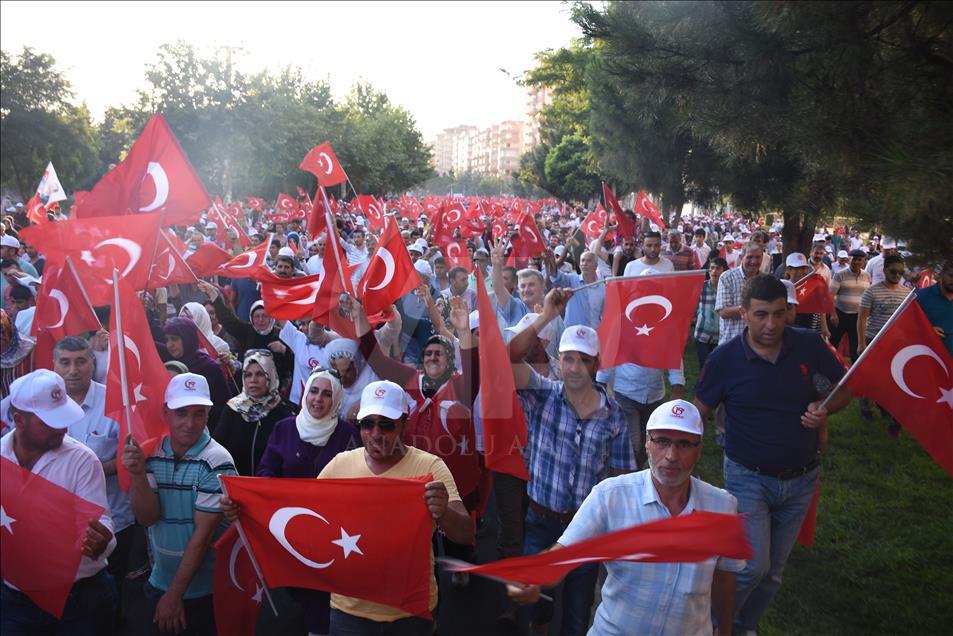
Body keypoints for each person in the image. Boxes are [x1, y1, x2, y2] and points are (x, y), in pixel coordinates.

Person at [225, 380, 472, 635]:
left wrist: (443, 511)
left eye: (386, 424)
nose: (376, 434)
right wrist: (245, 509)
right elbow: (302, 517)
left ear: (404, 424)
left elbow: (464, 534)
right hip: (349, 613)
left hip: (410, 613)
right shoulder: (339, 465)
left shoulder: (431, 467)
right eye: (367, 424)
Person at [694, 274, 852, 635]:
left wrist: (826, 407)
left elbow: (845, 389)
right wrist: (674, 443)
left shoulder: (810, 345)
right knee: (752, 566)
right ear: (744, 314)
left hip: (801, 480)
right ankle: (717, 624)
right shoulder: (724, 360)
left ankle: (744, 625)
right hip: (747, 477)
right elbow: (698, 408)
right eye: (762, 315)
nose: (771, 324)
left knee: (774, 573)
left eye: (779, 314)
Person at [508, 400, 744, 635]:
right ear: (647, 443)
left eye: (684, 444)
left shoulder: (722, 508)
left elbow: (725, 579)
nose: (671, 455)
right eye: (662, 441)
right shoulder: (610, 496)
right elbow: (564, 554)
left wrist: (725, 631)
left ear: (699, 450)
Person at [508, 289, 637, 635]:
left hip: (587, 528)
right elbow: (509, 356)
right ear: (558, 361)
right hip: (541, 520)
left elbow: (622, 475)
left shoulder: (613, 416)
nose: (575, 368)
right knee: (535, 603)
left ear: (596, 365)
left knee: (578, 611)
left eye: (584, 360)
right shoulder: (541, 396)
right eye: (568, 359)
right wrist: (547, 315)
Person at [350, 294, 486, 578]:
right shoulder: (408, 380)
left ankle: (461, 567)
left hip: (458, 478)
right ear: (421, 361)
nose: (433, 357)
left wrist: (462, 331)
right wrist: (359, 318)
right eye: (428, 354)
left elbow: (474, 366)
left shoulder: (462, 386)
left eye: (440, 353)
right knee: (422, 540)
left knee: (456, 538)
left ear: (450, 361)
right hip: (415, 477)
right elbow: (376, 358)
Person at [1, 369, 117, 635]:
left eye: (63, 418)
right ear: (19, 420)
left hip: (80, 600)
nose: (63, 428)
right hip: (15, 601)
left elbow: (101, 521)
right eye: (50, 422)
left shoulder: (82, 460)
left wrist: (102, 539)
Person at [121, 373, 237, 636]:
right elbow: (147, 518)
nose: (190, 423)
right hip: (159, 582)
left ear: (208, 415)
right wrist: (138, 474)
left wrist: (174, 596)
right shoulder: (151, 453)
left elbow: (202, 535)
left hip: (202, 592)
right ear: (166, 413)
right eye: (181, 413)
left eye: (199, 413)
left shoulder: (217, 461)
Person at [255, 370, 359, 636]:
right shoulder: (285, 428)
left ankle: (319, 628)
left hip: (331, 529)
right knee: (298, 585)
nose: (318, 399)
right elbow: (266, 469)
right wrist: (274, 491)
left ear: (336, 400)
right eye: (314, 391)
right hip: (292, 525)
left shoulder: (348, 434)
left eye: (327, 394)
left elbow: (359, 476)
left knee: (320, 589)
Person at [54, 336, 138, 629]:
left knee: (107, 601)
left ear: (93, 362)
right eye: (65, 362)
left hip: (113, 520)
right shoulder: (46, 407)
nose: (73, 370)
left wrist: (84, 473)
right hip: (58, 525)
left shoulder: (114, 402)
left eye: (80, 361)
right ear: (55, 366)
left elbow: (129, 456)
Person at [212, 350, 296, 476]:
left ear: (271, 375)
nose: (253, 380)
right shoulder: (233, 409)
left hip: (271, 489)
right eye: (248, 375)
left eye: (260, 374)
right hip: (237, 488)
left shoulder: (287, 412)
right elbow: (217, 449)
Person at [857, 254, 912, 431]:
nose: (897, 275)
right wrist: (861, 343)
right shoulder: (872, 291)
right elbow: (862, 318)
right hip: (874, 339)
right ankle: (866, 407)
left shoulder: (907, 293)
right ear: (884, 270)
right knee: (870, 377)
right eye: (893, 271)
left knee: (892, 378)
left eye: (900, 272)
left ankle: (886, 406)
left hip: (896, 343)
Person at [161, 318, 233, 426]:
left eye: (174, 339)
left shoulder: (209, 368)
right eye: (167, 340)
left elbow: (224, 408)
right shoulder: (169, 366)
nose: (169, 345)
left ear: (187, 339)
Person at [278, 317, 340, 405]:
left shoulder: (335, 341)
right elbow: (277, 312)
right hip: (297, 403)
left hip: (324, 404)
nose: (307, 328)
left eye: (310, 322)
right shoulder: (298, 339)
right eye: (303, 324)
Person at [715, 242, 766, 345]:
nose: (754, 261)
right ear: (742, 257)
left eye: (758, 257)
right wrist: (754, 308)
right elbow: (724, 312)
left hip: (758, 345)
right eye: (750, 257)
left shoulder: (765, 280)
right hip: (732, 342)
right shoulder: (727, 277)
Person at [543, 249, 605, 329]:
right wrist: (550, 262)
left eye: (589, 261)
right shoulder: (571, 280)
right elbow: (555, 275)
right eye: (582, 261)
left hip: (592, 334)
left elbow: (605, 314)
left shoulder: (603, 287)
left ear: (596, 265)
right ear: (579, 264)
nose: (584, 264)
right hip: (572, 335)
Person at [828, 249, 872, 361]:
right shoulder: (839, 275)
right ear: (849, 260)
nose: (856, 262)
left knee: (855, 346)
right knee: (833, 344)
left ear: (863, 261)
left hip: (857, 317)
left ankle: (853, 373)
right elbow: (830, 295)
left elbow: (868, 297)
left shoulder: (867, 276)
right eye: (854, 259)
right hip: (840, 315)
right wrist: (833, 314)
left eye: (859, 260)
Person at [694, 257, 727, 369]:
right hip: (702, 333)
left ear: (724, 271)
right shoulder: (700, 286)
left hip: (720, 336)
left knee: (717, 368)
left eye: (718, 268)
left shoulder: (727, 288)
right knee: (704, 367)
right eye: (712, 268)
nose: (714, 271)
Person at [916, 259, 953, 355]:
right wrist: (927, 331)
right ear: (941, 274)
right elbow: (905, 329)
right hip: (929, 362)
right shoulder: (920, 297)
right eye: (951, 276)